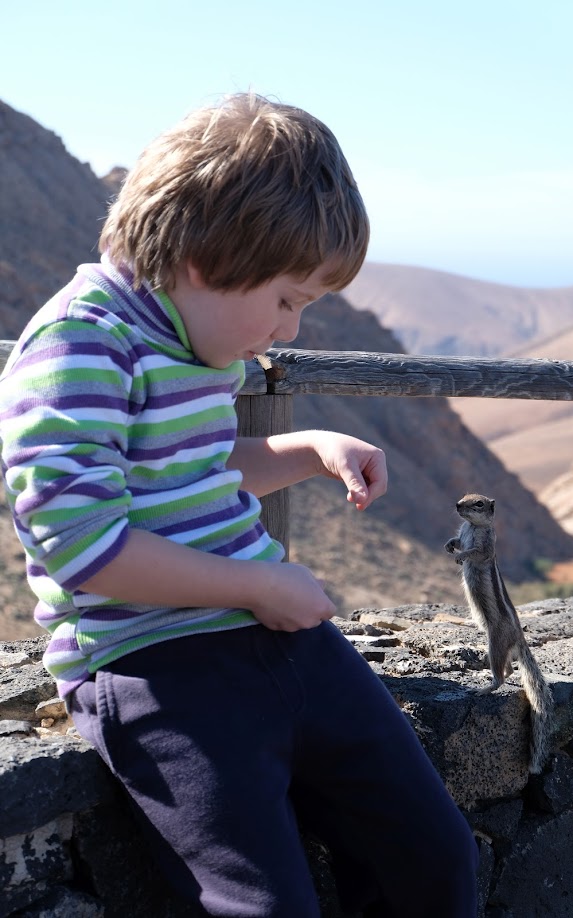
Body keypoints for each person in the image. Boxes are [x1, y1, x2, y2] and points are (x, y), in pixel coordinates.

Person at [0, 93, 478, 917]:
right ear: (204, 259)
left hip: (281, 641)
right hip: (153, 666)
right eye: (289, 299)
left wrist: (309, 451)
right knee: (262, 905)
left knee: (431, 856)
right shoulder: (81, 345)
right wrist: (257, 586)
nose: (287, 329)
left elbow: (196, 469)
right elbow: (85, 546)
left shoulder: (195, 331)